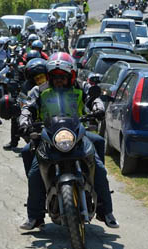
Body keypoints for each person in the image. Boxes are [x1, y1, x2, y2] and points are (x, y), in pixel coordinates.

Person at [18, 53, 118, 230]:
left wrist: (98, 108)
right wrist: (24, 121)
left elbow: (95, 98)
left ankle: (106, 211)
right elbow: (27, 107)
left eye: (62, 77)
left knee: (99, 161)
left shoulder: (81, 86)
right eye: (55, 77)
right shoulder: (39, 90)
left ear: (70, 76)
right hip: (48, 135)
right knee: (31, 163)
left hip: (77, 133)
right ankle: (35, 216)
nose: (58, 81)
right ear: (49, 76)